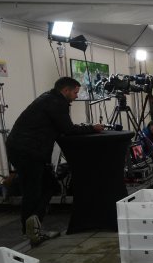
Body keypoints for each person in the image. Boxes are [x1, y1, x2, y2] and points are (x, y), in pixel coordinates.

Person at [6, 77, 103, 245]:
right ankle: (31, 231)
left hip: (23, 149)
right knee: (33, 191)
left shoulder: (48, 98)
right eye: (75, 92)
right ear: (65, 90)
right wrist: (92, 128)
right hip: (28, 152)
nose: (76, 96)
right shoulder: (57, 103)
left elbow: (59, 128)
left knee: (49, 186)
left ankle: (33, 225)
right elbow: (68, 129)